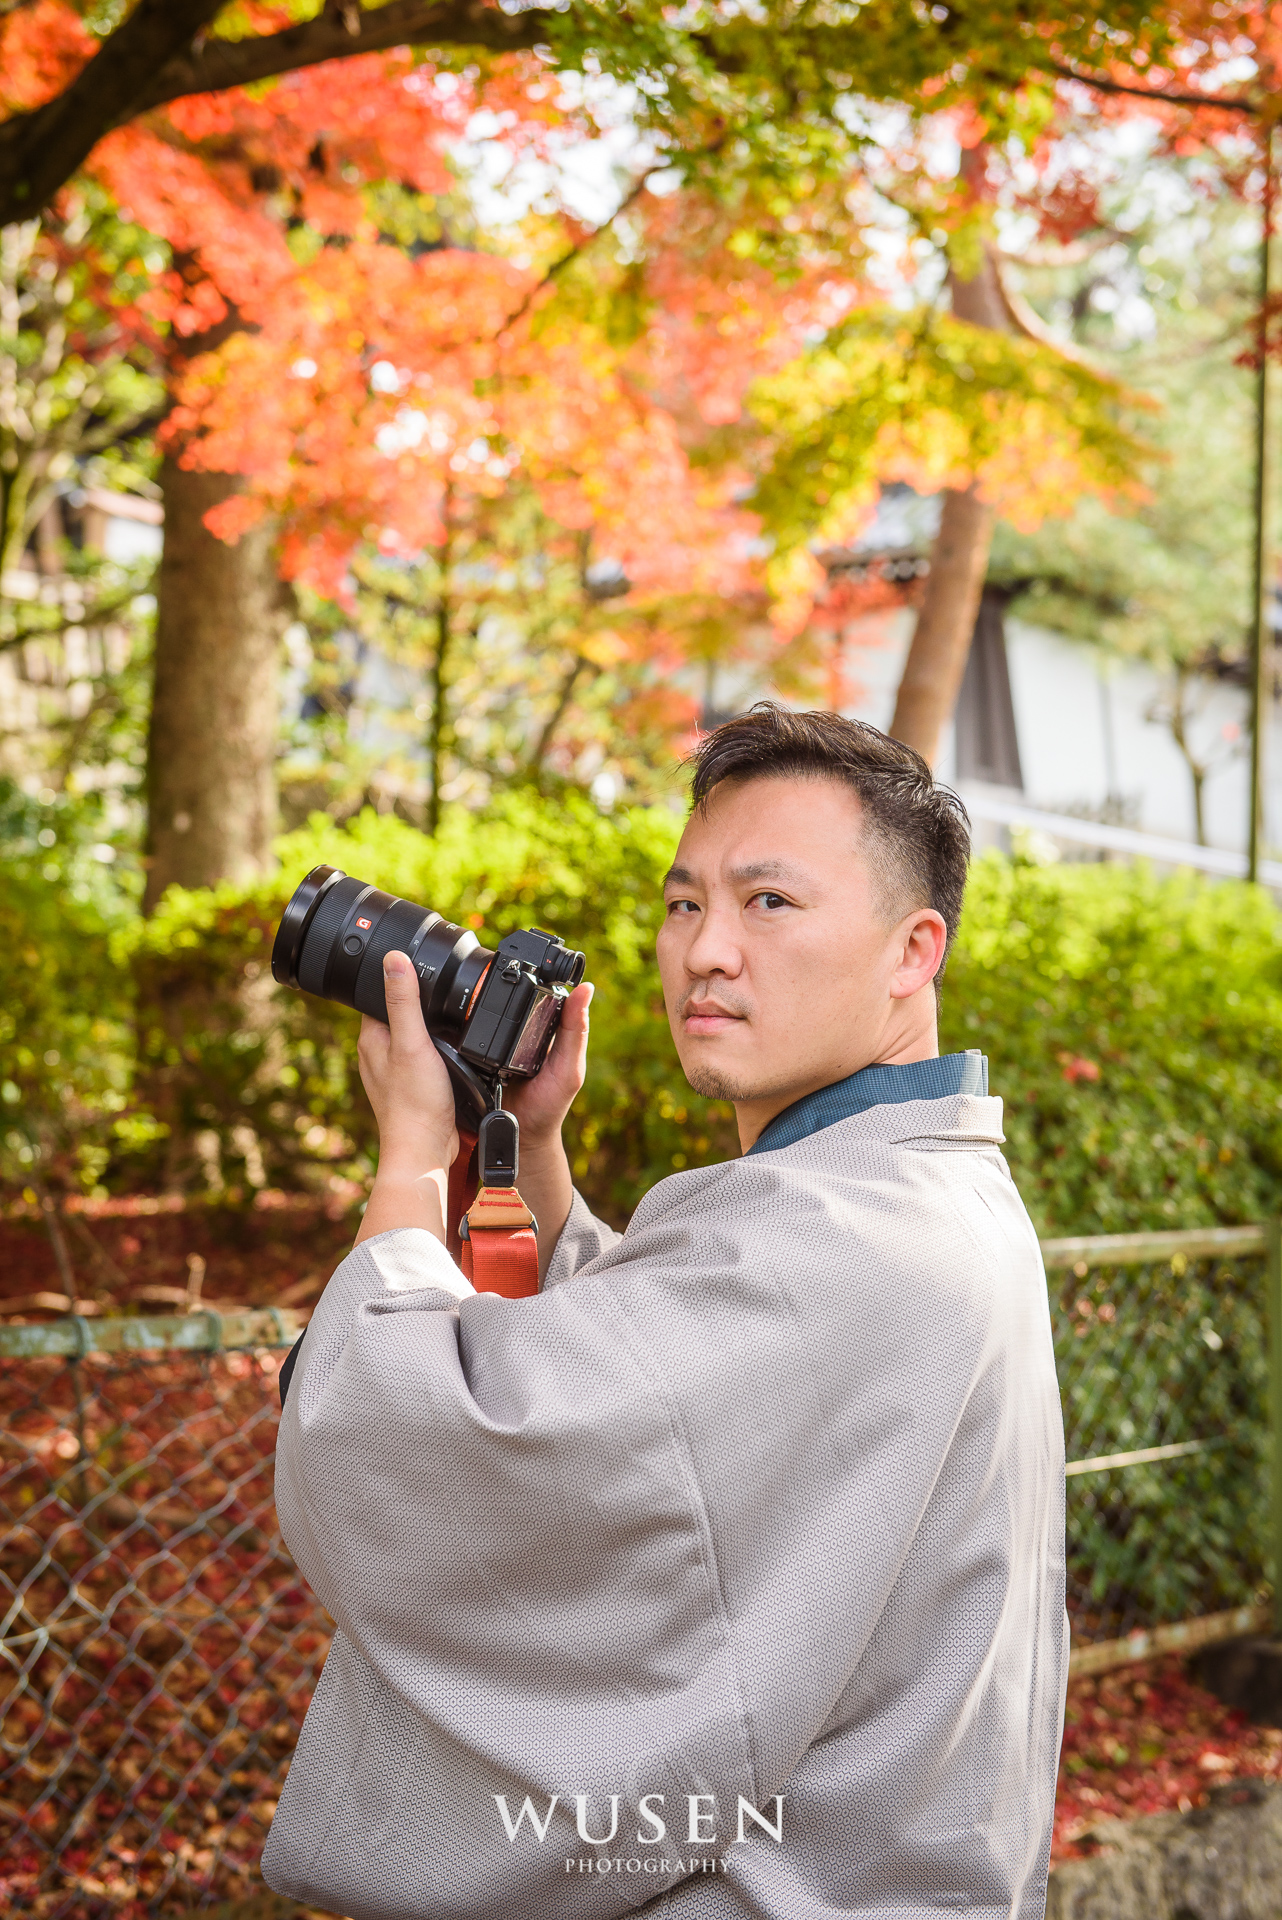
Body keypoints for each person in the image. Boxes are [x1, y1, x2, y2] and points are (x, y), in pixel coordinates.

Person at [263, 705, 1067, 1920]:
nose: (705, 951)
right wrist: (532, 1147)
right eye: (684, 904)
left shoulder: (847, 1234)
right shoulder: (914, 1187)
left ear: (913, 951)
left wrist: (413, 1161)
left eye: (768, 902)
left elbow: (420, 1434)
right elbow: (660, 1360)